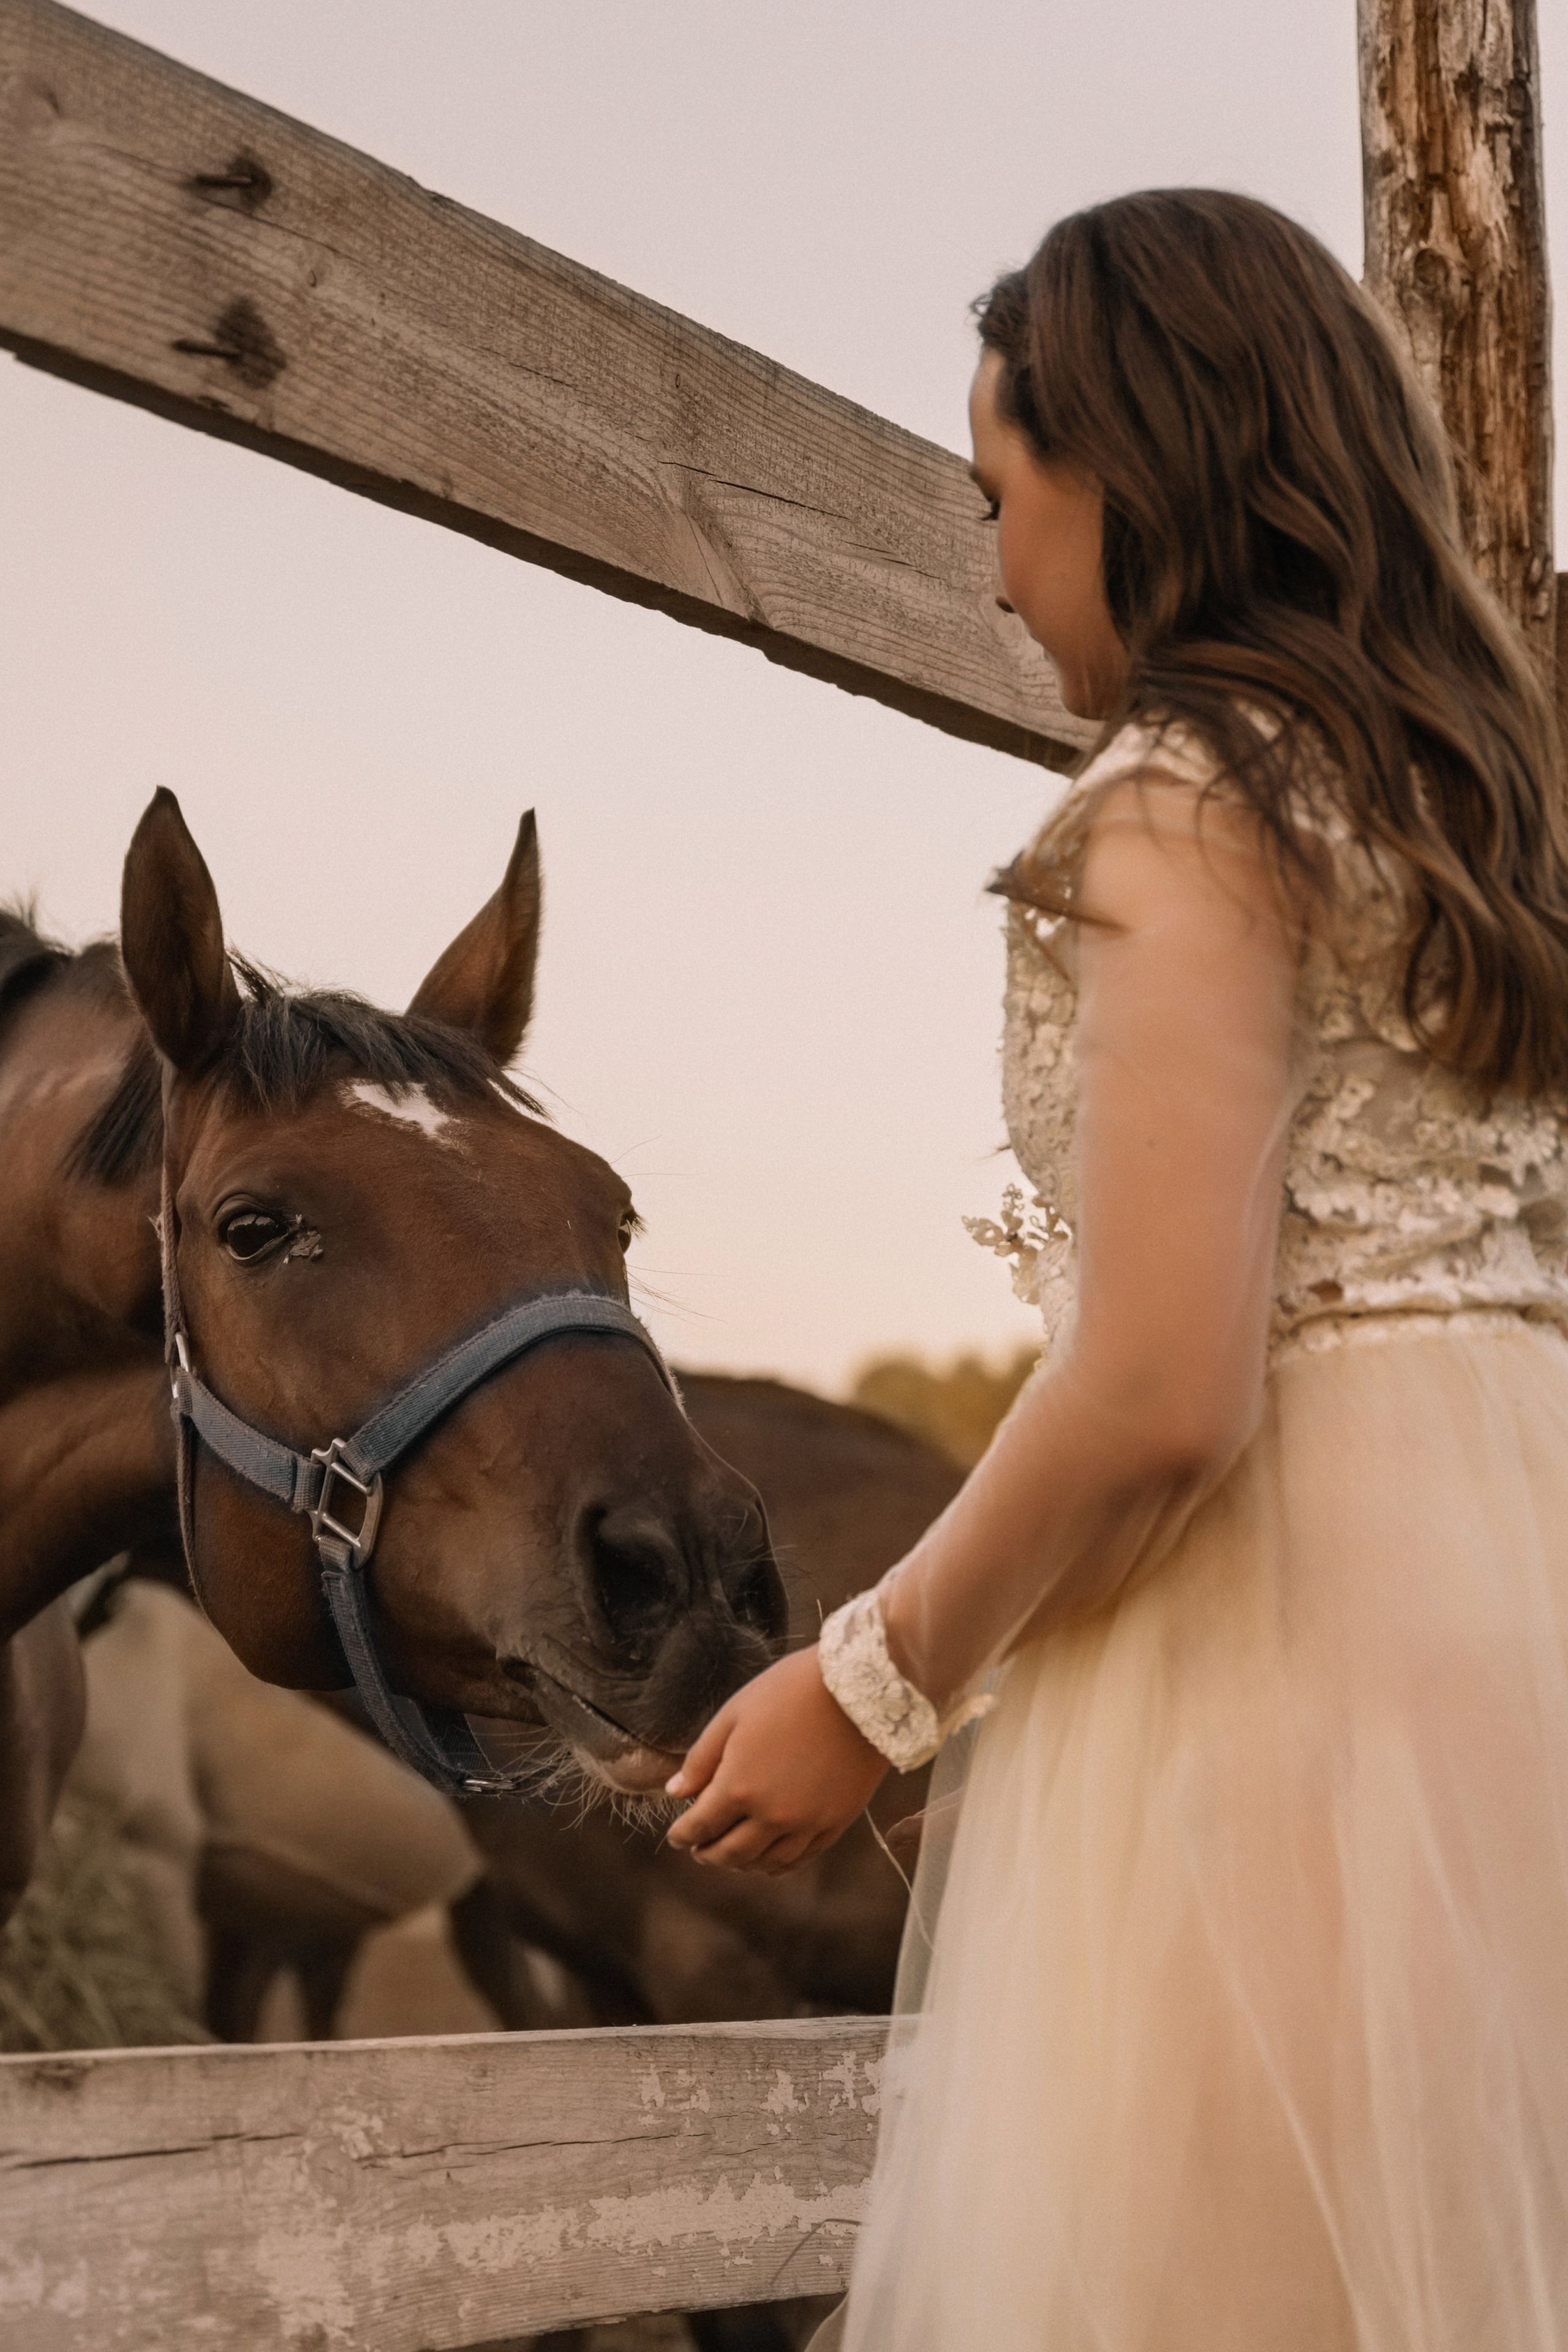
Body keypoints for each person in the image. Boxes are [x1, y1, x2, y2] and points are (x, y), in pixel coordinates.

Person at [666, 188, 1568, 2348]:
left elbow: (1166, 1383)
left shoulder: (1176, 807)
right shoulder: (1470, 811)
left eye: (999, 494)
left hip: (1296, 1665)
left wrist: (869, 1690)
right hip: (1518, 1612)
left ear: (1128, 467)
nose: (988, 563)